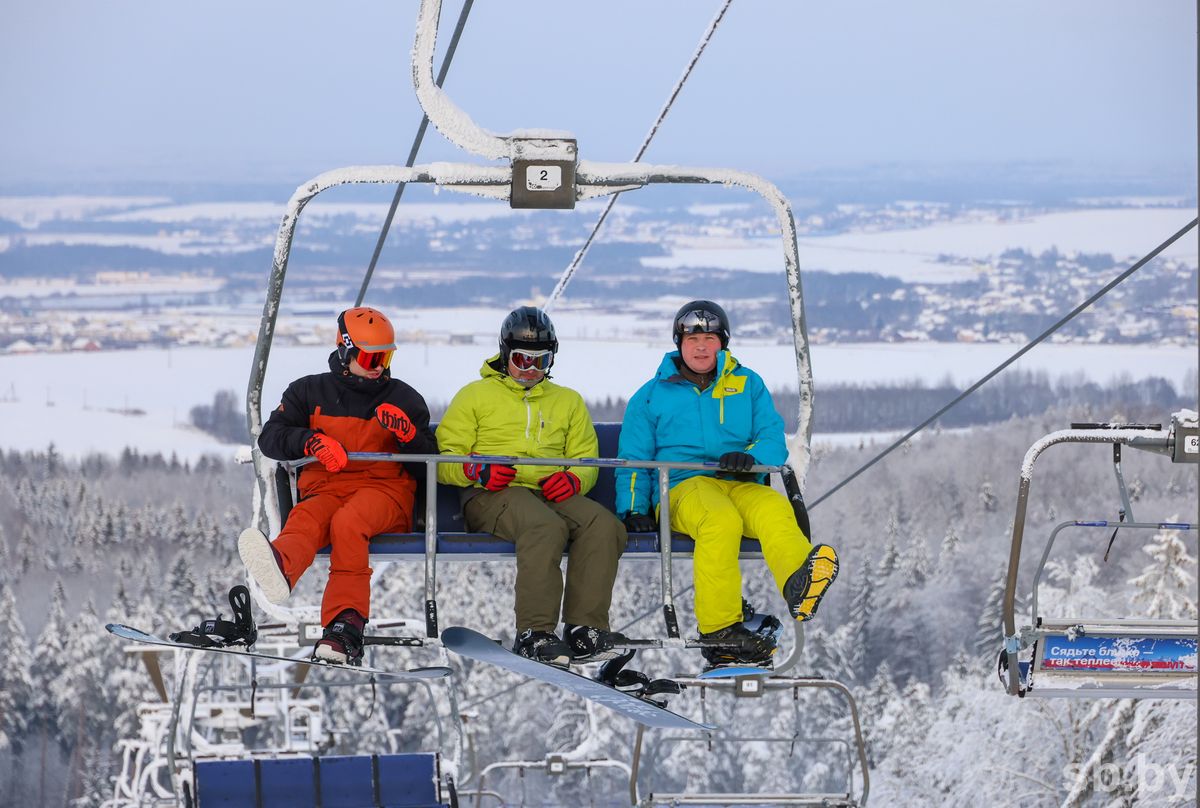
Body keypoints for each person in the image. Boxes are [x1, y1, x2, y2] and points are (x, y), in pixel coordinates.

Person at [614, 300, 838, 667]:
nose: (701, 346)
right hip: (684, 486)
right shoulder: (651, 395)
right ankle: (718, 630)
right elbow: (634, 459)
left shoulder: (747, 384)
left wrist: (752, 456)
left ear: (723, 343)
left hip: (740, 480)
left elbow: (770, 435)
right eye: (692, 338)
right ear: (679, 343)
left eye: (709, 338)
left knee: (773, 508)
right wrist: (635, 509)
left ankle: (799, 582)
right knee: (719, 521)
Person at [239, 306, 437, 665]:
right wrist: (310, 442)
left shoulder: (404, 399)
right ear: (345, 350)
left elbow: (430, 466)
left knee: (350, 523)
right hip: (327, 488)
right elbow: (271, 438)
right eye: (369, 356)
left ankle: (347, 623)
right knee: (307, 519)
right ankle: (282, 565)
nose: (378, 366)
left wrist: (409, 437)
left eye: (385, 356)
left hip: (385, 493)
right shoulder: (309, 392)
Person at [436, 306, 628, 667]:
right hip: (492, 494)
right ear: (506, 354)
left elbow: (586, 459)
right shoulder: (475, 396)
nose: (530, 371)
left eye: (541, 361)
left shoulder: (567, 401)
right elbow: (444, 459)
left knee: (604, 526)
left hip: (549, 492)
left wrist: (573, 477)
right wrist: (477, 471)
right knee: (544, 527)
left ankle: (584, 629)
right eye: (522, 360)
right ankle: (535, 633)